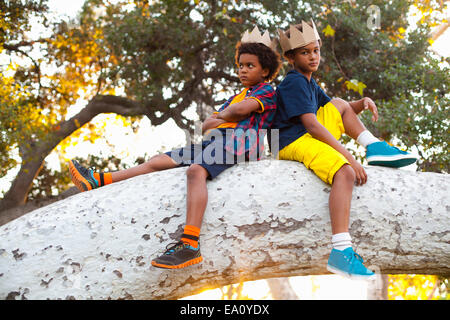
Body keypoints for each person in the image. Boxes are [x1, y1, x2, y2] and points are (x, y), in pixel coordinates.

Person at [68, 26, 281, 269]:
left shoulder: (267, 90)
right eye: (241, 65)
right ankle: (99, 180)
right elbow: (207, 124)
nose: (243, 70)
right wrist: (227, 114)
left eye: (250, 66)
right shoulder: (238, 94)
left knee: (195, 172)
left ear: (265, 70)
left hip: (240, 145)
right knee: (158, 161)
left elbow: (239, 111)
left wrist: (226, 115)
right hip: (214, 142)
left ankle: (190, 244)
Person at [273, 20, 417, 279]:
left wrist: (360, 103)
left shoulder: (308, 81)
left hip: (305, 133)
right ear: (290, 57)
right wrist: (348, 157)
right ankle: (340, 250)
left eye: (316, 50)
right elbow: (312, 125)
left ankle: (374, 147)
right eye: (305, 52)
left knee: (339, 102)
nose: (313, 56)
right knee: (345, 173)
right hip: (289, 141)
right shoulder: (294, 81)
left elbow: (333, 109)